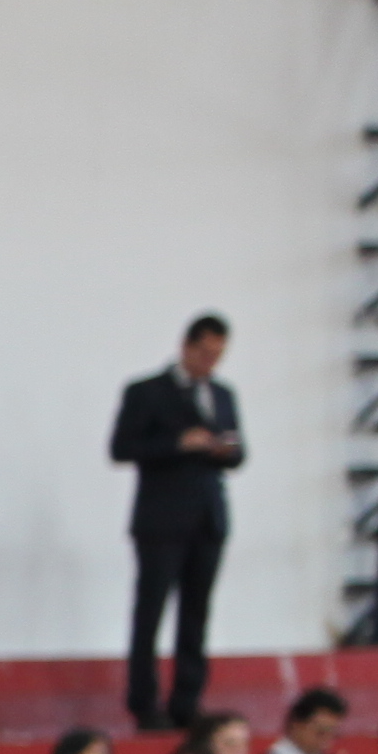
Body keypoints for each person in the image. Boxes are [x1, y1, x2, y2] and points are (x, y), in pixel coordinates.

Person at [112, 312, 244, 732]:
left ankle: (187, 700)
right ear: (186, 347)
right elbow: (121, 448)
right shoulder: (147, 391)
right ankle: (144, 701)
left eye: (218, 355)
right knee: (150, 613)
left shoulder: (222, 394)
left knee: (196, 613)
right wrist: (176, 443)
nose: (210, 362)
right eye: (204, 352)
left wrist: (225, 450)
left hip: (208, 517)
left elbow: (240, 452)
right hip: (162, 519)